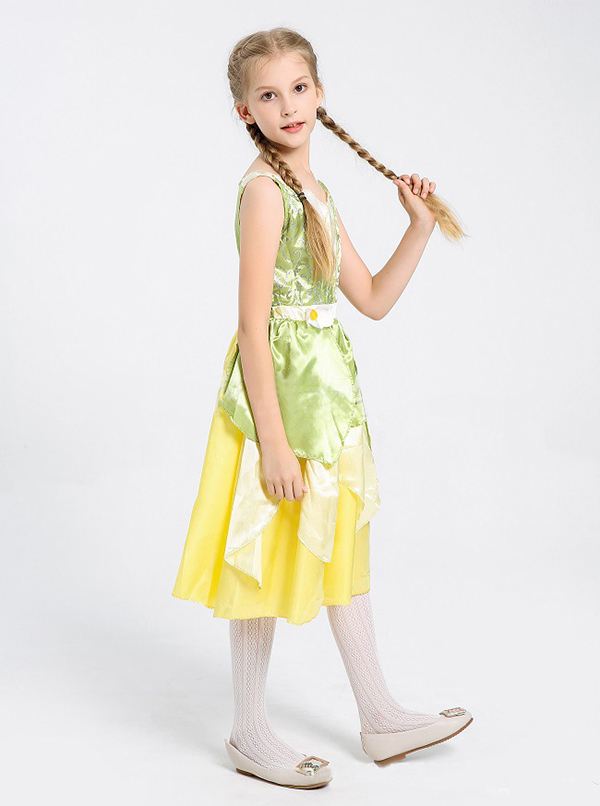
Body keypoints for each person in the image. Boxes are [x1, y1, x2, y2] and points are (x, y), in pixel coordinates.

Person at [172, 26, 473, 789]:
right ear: (245, 111)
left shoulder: (318, 193)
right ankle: (248, 731)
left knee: (341, 546)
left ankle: (379, 715)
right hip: (273, 404)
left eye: (298, 88)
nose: (288, 105)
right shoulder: (265, 193)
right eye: (268, 95)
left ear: (320, 92)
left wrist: (417, 227)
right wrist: (273, 443)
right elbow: (252, 324)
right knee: (259, 552)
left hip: (328, 398)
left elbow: (369, 298)